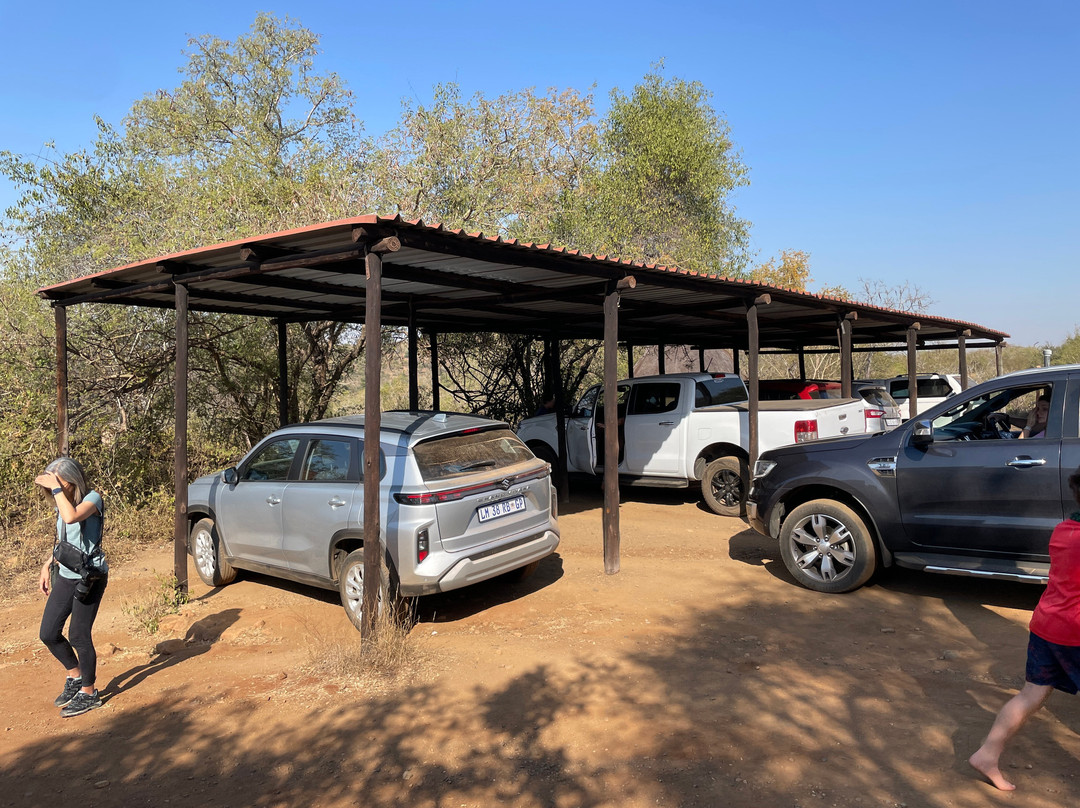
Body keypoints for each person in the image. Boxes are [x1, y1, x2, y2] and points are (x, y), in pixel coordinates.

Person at [968, 468, 1080, 790]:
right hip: (1074, 632)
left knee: (1031, 693)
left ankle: (987, 754)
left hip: (1046, 625)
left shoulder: (1063, 529)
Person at [36, 457, 108, 718]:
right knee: (48, 633)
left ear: (71, 479)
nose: (55, 488)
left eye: (59, 482)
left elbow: (71, 517)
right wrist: (48, 564)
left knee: (78, 635)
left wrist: (56, 489)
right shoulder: (60, 500)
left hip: (90, 576)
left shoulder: (93, 499)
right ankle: (75, 676)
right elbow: (67, 540)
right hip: (66, 574)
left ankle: (89, 693)